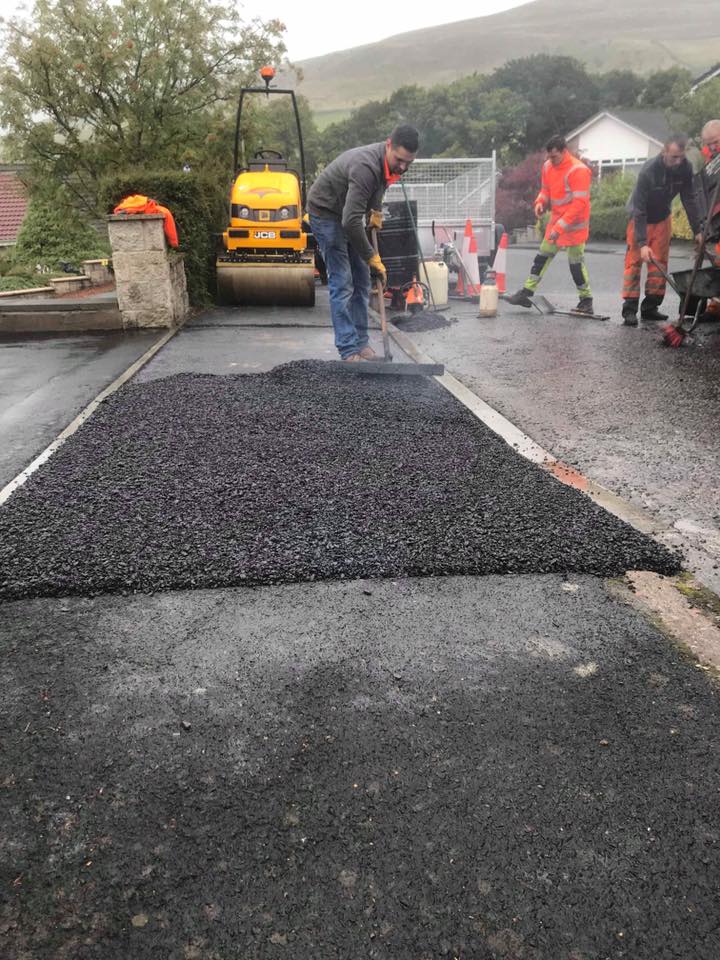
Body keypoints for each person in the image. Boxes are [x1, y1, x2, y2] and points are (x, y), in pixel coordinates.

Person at [307, 125, 419, 362]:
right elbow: (349, 221)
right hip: (326, 213)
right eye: (400, 160)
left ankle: (361, 343)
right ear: (388, 144)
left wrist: (376, 211)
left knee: (362, 278)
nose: (403, 166)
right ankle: (348, 349)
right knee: (343, 280)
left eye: (408, 162)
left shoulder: (388, 165)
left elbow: (378, 186)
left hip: (347, 215)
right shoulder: (365, 166)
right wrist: (371, 256)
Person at [620, 135, 703, 326]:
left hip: (662, 219)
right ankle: (629, 309)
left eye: (681, 157)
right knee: (633, 264)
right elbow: (639, 209)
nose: (678, 161)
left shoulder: (685, 168)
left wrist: (698, 230)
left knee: (659, 264)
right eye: (674, 156)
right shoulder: (649, 171)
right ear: (664, 151)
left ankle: (650, 308)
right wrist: (641, 244)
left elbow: (689, 199)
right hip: (639, 218)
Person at [506, 135, 594, 314]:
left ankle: (586, 301)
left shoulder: (579, 170)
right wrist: (540, 202)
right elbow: (546, 190)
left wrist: (560, 227)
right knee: (542, 257)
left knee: (576, 265)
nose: (550, 160)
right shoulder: (548, 166)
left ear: (564, 151)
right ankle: (526, 293)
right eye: (549, 156)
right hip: (556, 223)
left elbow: (579, 204)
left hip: (574, 227)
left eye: (554, 156)